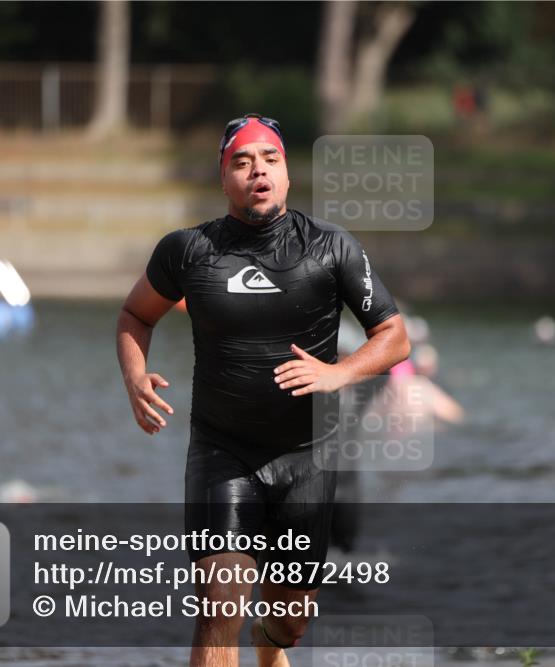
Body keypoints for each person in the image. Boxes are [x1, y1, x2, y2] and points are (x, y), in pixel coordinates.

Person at [115, 114, 410, 667]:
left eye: (269, 159)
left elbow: (394, 337)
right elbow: (135, 314)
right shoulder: (188, 251)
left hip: (308, 456)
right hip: (222, 451)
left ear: (287, 174)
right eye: (242, 161)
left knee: (288, 621)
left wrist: (338, 373)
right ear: (223, 177)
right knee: (220, 603)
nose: (258, 171)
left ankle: (269, 649)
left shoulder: (331, 248)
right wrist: (135, 377)